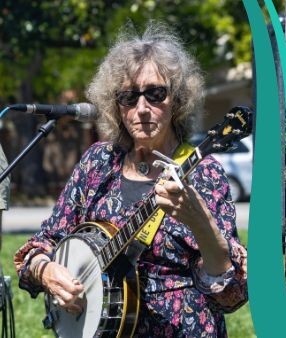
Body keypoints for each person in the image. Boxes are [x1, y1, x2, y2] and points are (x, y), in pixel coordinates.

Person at [13, 23, 248, 336]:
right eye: (128, 97)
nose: (142, 109)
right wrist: (46, 270)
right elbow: (44, 242)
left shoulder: (204, 173)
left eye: (155, 94)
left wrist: (201, 224)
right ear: (115, 106)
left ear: (177, 100)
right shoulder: (97, 162)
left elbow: (231, 294)